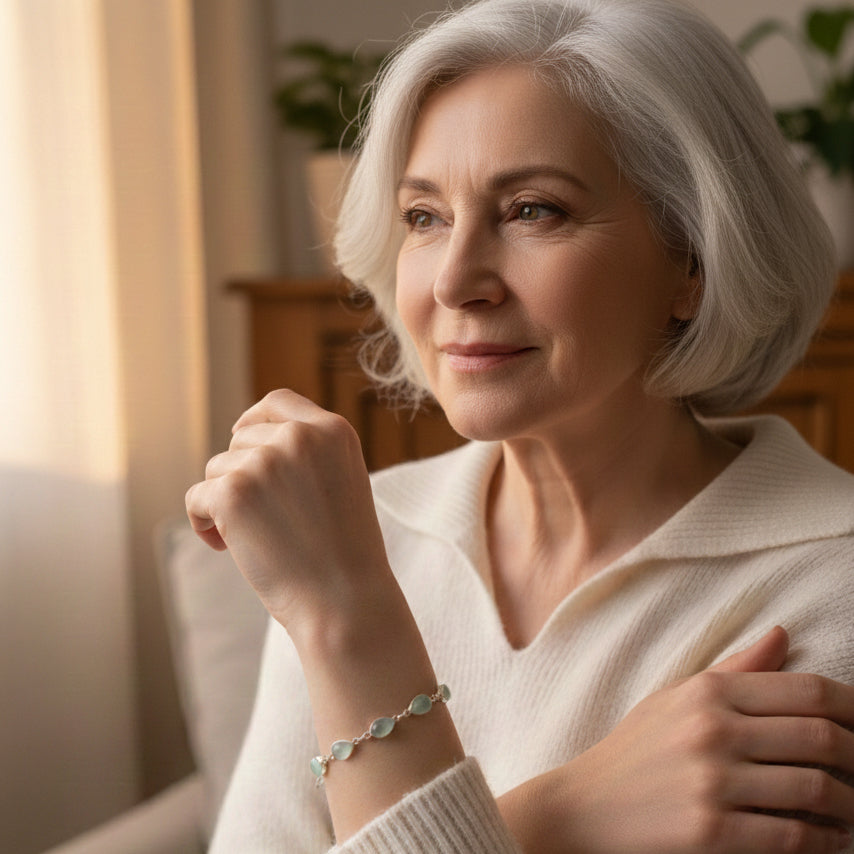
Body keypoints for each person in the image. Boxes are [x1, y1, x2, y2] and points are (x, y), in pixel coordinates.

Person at [185, 0, 854, 850]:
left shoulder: (832, 585)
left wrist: (348, 618)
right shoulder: (355, 536)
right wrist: (569, 815)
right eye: (424, 217)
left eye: (533, 209)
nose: (457, 279)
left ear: (694, 259)